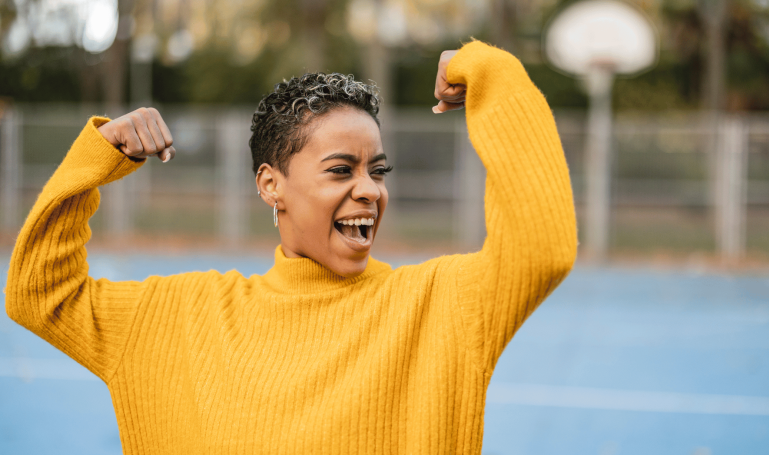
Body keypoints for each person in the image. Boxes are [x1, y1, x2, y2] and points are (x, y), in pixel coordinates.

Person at [5, 40, 577, 454]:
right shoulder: (180, 315)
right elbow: (39, 294)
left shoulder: (439, 306)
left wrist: (488, 68)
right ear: (270, 185)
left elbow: (541, 248)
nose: (370, 190)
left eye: (378, 170)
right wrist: (97, 158)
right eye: (341, 169)